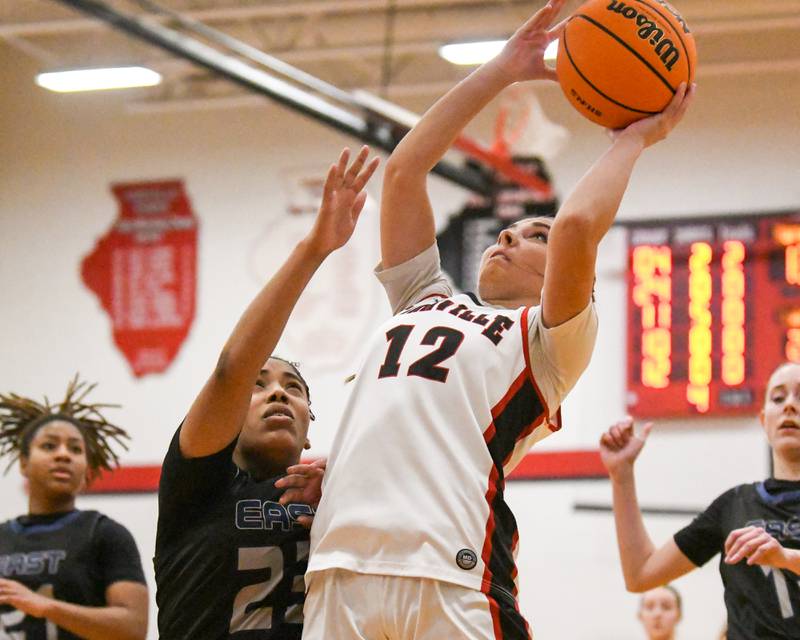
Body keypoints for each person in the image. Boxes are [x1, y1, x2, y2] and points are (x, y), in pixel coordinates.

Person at [303, 0, 696, 637]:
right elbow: (404, 172)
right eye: (505, 231)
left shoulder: (548, 343)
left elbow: (574, 226)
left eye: (530, 236)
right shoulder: (424, 296)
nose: (507, 237)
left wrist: (634, 139)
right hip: (339, 565)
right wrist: (503, 69)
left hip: (451, 568)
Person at [153, 146, 379, 639]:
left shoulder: (341, 493)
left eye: (293, 388)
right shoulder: (197, 485)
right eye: (260, 386)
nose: (278, 395)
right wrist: (315, 248)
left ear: (310, 421)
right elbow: (231, 369)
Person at [600, 361, 800, 640]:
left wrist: (787, 557)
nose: (790, 405)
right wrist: (621, 476)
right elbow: (641, 574)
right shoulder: (734, 505)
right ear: (764, 420)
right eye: (779, 397)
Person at [0, 377, 148, 640]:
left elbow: (133, 628)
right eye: (49, 445)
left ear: (87, 470)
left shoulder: (104, 534)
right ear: (23, 462)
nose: (63, 454)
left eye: (76, 449)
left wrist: (47, 607)